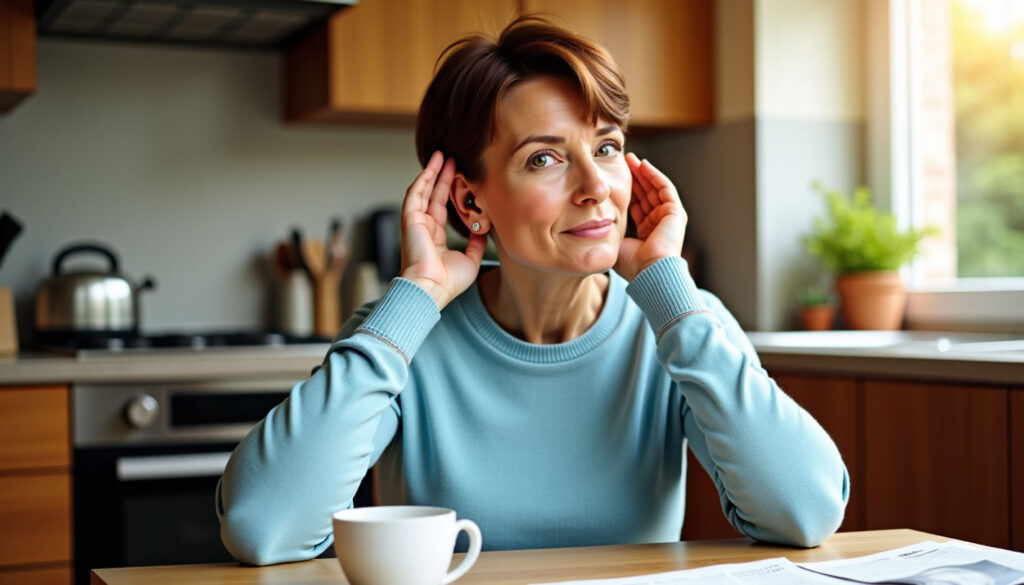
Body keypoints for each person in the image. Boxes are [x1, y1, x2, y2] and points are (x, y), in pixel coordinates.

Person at [216, 15, 849, 565]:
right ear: (471, 199)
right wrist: (411, 300)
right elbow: (262, 527)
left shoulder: (680, 323)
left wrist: (674, 297)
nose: (595, 186)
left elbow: (806, 511)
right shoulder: (404, 331)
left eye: (606, 147)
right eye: (544, 158)